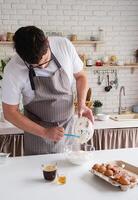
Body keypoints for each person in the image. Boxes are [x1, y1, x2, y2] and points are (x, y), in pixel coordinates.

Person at [2, 26, 94, 155]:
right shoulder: (13, 70)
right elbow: (9, 112)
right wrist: (44, 132)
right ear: (21, 56)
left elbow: (81, 76)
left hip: (69, 130)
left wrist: (82, 104)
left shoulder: (64, 46)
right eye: (37, 66)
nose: (44, 66)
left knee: (69, 172)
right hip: (37, 136)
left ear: (47, 41)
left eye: (46, 59)